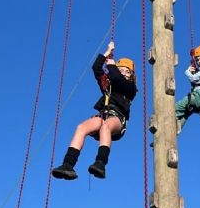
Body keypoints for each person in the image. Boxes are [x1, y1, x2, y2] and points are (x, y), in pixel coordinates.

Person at [52, 41, 137, 181]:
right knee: (81, 127)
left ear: (131, 76)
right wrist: (106, 54)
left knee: (106, 127)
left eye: (127, 71)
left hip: (118, 119)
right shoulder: (108, 85)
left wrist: (112, 66)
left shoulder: (130, 88)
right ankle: (68, 165)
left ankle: (100, 163)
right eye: (121, 69)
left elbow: (117, 78)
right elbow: (96, 68)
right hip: (103, 115)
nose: (123, 72)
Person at [175, 45, 200, 131]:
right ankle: (176, 128)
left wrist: (188, 72)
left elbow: (193, 79)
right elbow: (195, 82)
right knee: (186, 113)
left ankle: (168, 118)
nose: (199, 61)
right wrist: (193, 72)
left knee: (181, 105)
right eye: (197, 60)